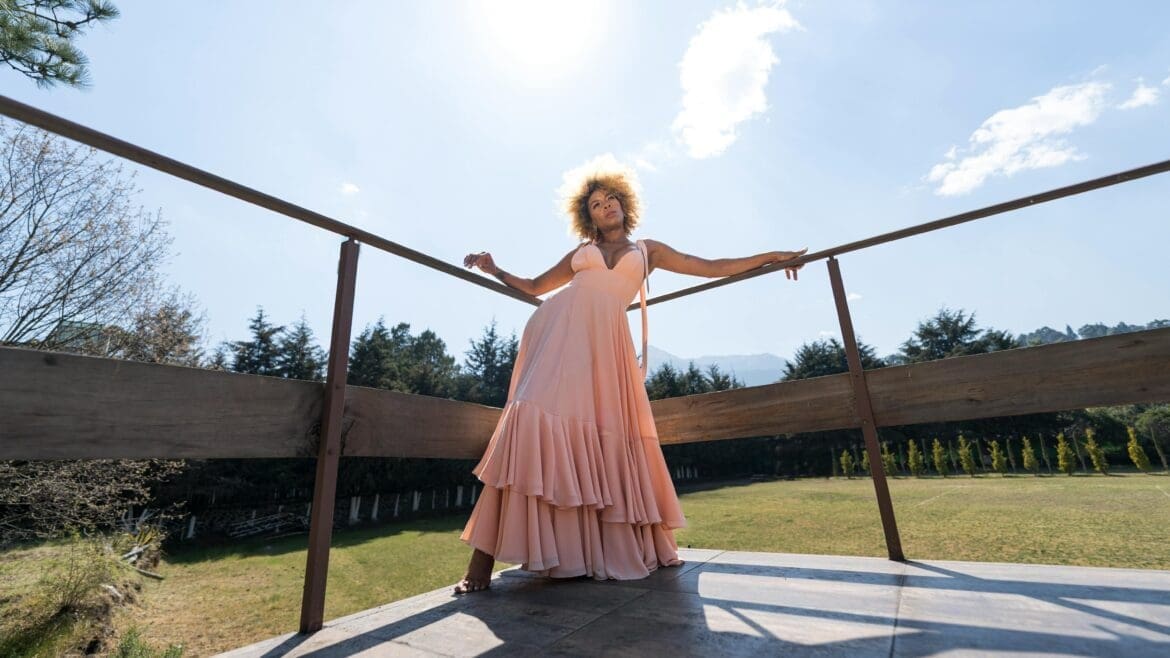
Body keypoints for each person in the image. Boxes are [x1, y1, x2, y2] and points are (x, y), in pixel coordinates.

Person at [455, 165, 805, 593]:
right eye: (596, 204)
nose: (605, 207)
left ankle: (583, 550)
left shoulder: (647, 249)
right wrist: (494, 269)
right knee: (525, 419)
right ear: (588, 216)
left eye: (610, 199)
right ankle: (480, 565)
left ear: (624, 202)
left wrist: (772, 257)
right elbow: (533, 287)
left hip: (605, 351)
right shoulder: (580, 252)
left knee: (601, 437)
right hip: (556, 335)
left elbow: (709, 266)